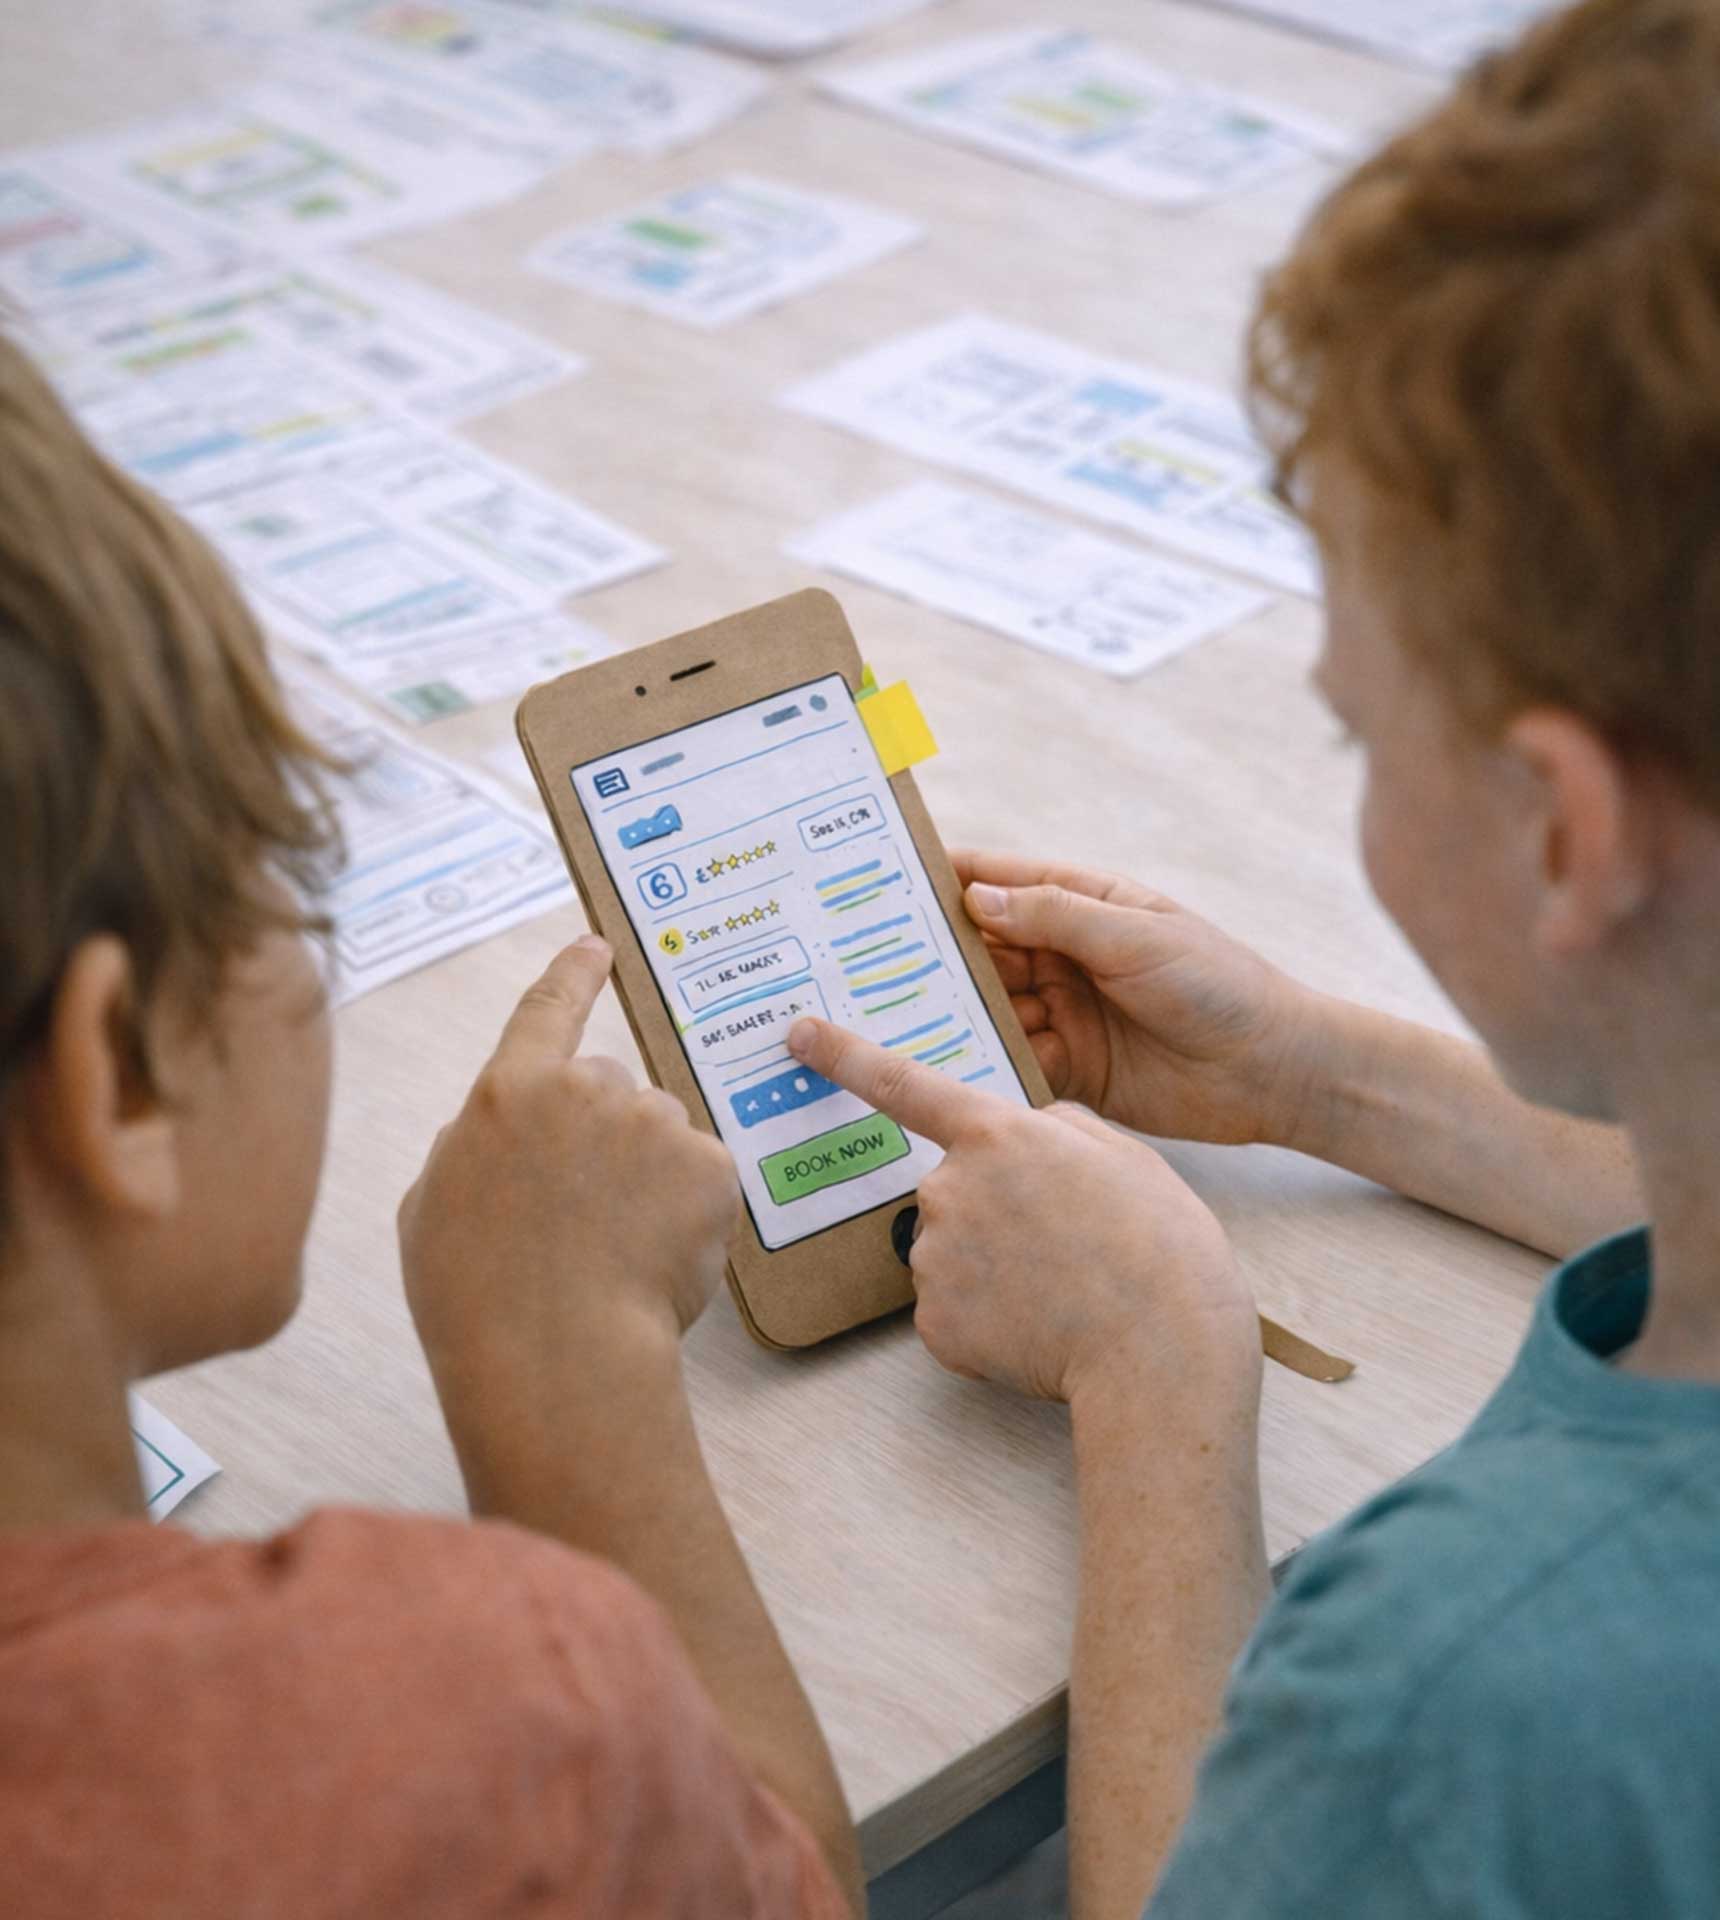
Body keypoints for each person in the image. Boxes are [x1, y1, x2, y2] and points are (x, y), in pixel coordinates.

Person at [785, 0, 1720, 1913]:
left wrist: (1153, 1367)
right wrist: (1321, 1080)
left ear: (1565, 831)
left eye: (1358, 728)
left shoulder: (1454, 1689)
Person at [0, 331, 860, 1916]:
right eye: (280, 871)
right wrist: (565, 1370)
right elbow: (790, 1885)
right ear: (114, 1074)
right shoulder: (467, 1719)